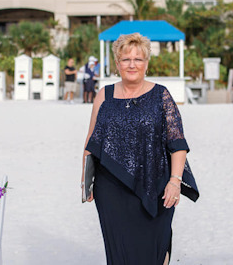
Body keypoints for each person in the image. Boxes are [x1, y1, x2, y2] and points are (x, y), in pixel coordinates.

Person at [82, 33, 199, 265]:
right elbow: (91, 141)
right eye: (126, 59)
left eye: (138, 59)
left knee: (154, 248)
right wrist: (85, 182)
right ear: (117, 64)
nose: (132, 64)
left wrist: (175, 181)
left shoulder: (161, 95)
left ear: (147, 63)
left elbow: (177, 143)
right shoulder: (103, 95)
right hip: (111, 189)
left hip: (156, 187)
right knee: (120, 253)